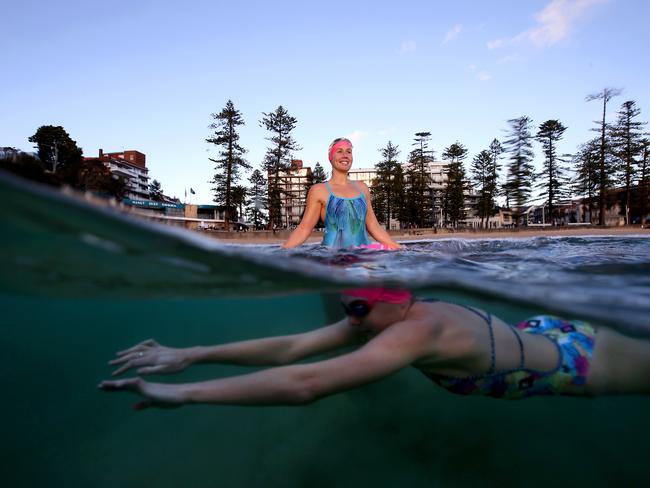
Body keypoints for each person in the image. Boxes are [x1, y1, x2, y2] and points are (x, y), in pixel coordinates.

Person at [99, 288, 650, 409]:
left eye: (358, 307)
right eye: (345, 305)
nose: (347, 317)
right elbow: (293, 347)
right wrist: (190, 352)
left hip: (579, 360)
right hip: (540, 328)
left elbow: (307, 382)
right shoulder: (380, 318)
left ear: (396, 298)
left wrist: (187, 394)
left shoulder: (414, 330)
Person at [281, 138, 400, 250]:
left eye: (349, 152)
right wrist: (282, 251)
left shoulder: (362, 188)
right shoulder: (319, 190)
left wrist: (397, 247)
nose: (345, 155)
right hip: (333, 257)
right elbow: (304, 229)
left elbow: (374, 226)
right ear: (330, 157)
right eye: (339, 151)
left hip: (363, 255)